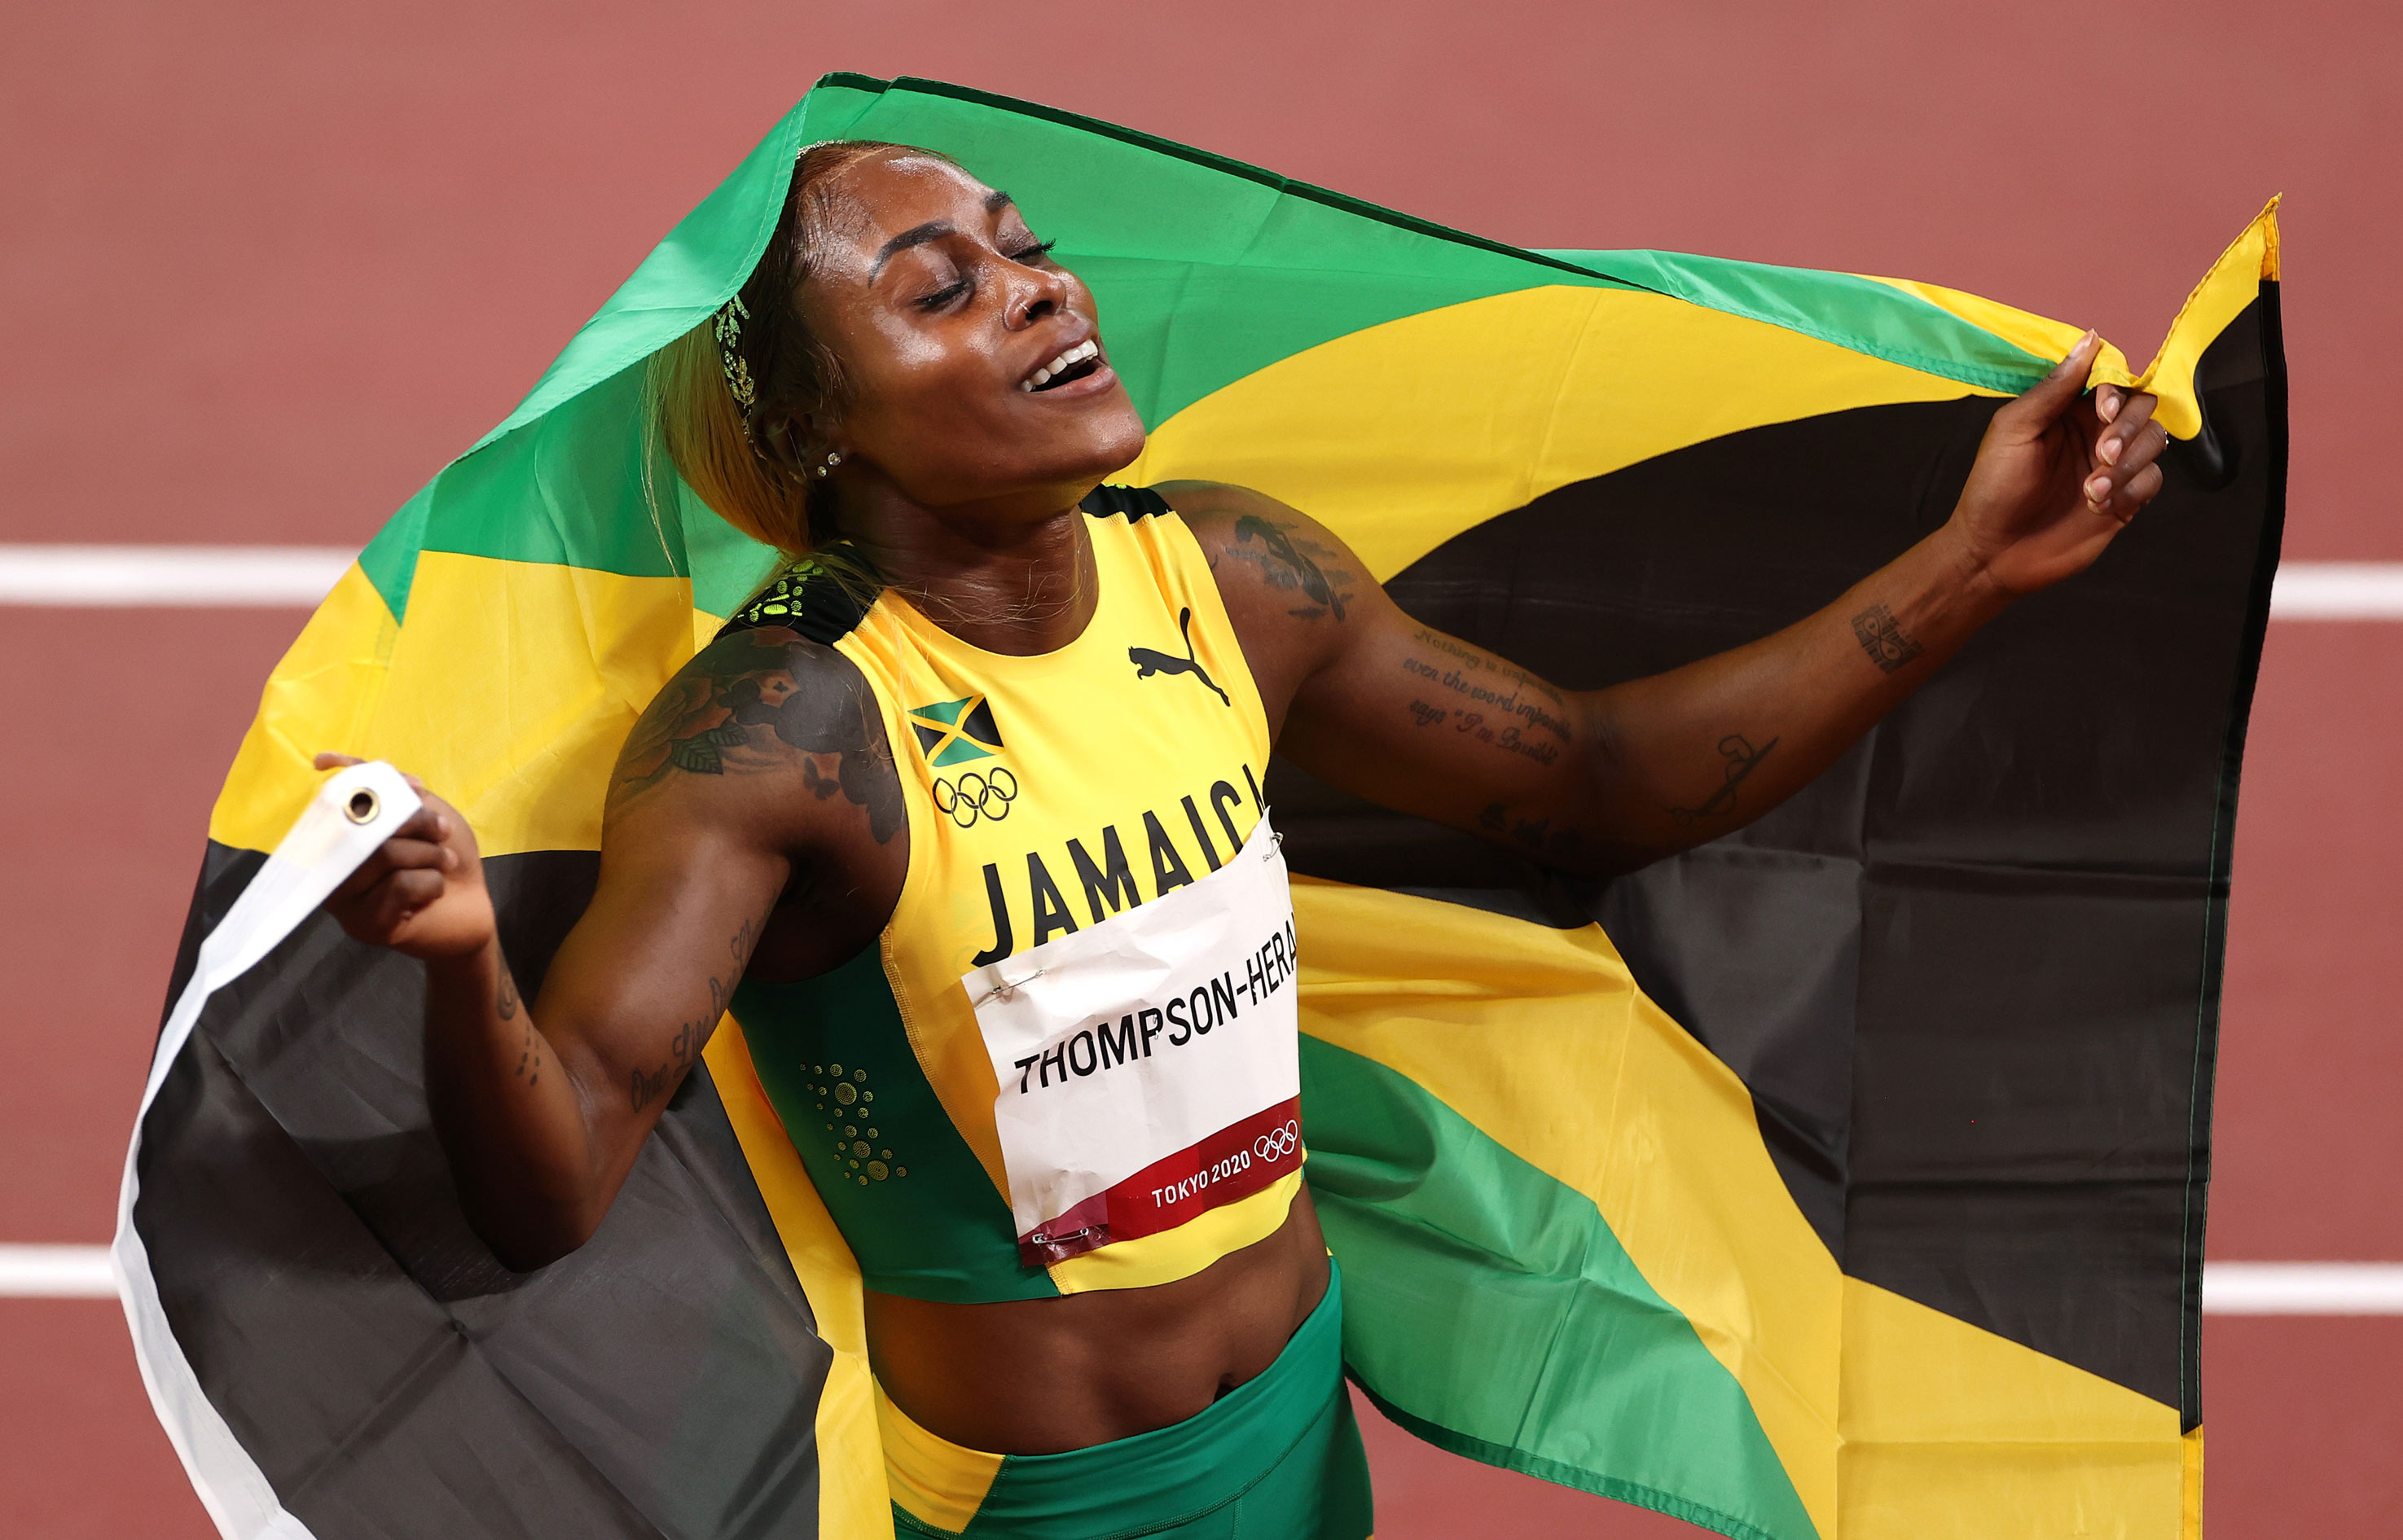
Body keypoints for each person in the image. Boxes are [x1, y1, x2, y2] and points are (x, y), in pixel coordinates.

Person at [319, 139, 2168, 1539]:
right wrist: (468, 951)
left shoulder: (1227, 577)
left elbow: (1598, 783)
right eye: (940, 288)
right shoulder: (786, 733)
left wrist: (1976, 562)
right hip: (1047, 1501)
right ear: (813, 421)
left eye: (1030, 251)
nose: (1042, 293)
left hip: (1294, 1416)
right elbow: (550, 1175)